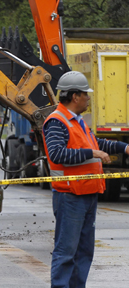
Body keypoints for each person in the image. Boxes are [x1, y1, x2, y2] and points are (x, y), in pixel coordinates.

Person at [42, 71, 128, 288]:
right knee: (66, 251)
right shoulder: (57, 121)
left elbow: (95, 143)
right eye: (86, 94)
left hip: (87, 194)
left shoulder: (76, 121)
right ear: (74, 96)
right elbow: (57, 154)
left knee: (84, 252)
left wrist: (124, 147)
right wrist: (93, 153)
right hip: (70, 196)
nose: (88, 98)